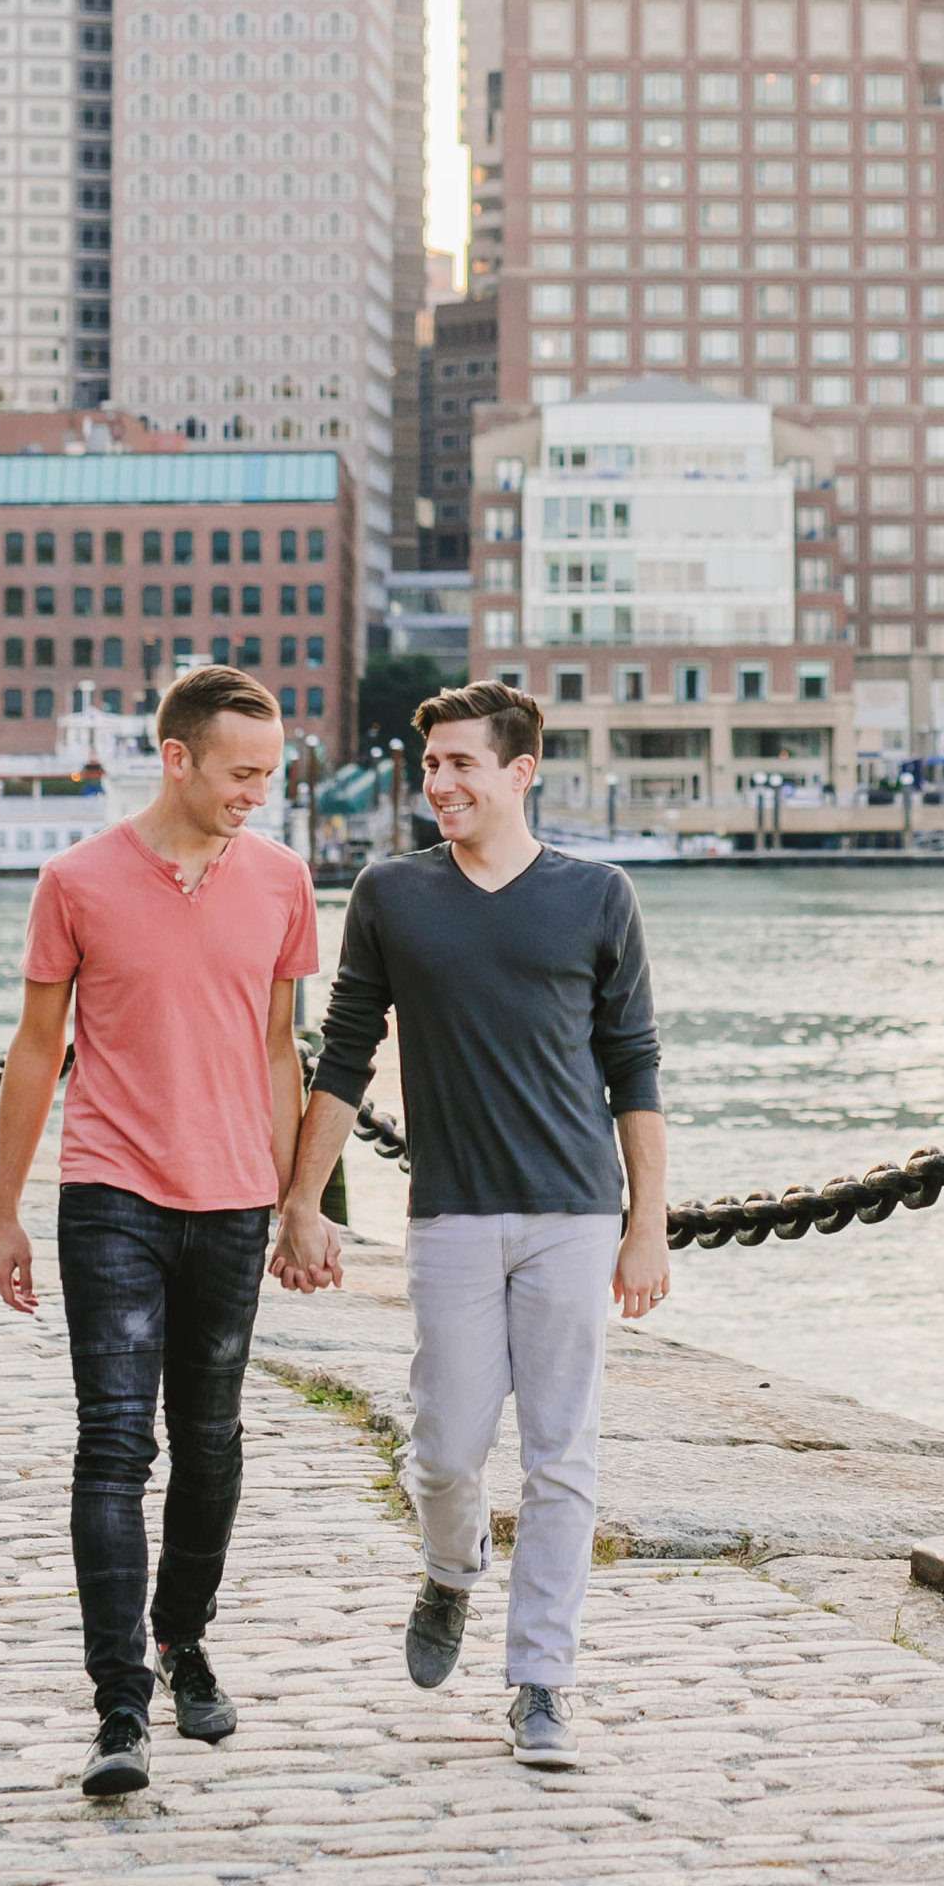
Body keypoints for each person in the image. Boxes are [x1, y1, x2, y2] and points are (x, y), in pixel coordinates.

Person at [277, 680, 668, 1772]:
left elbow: (633, 1064)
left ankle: (542, 1679)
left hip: (573, 1215)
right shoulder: (392, 895)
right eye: (430, 767)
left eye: (460, 766)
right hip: (447, 1215)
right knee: (445, 1451)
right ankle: (450, 1573)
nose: (438, 784)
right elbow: (344, 1054)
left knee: (561, 1456)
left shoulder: (598, 896)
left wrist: (649, 1223)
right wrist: (302, 1200)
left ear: (519, 773)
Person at [0, 664, 337, 1802]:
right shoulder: (76, 880)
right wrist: (5, 1213)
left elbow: (283, 1050)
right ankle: (118, 1707)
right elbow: (37, 1050)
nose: (259, 794)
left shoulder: (284, 879)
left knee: (215, 1442)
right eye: (241, 774)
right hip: (112, 1195)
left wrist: (301, 1201)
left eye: (271, 775)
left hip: (236, 1198)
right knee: (114, 1446)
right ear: (176, 757)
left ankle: (181, 1638)